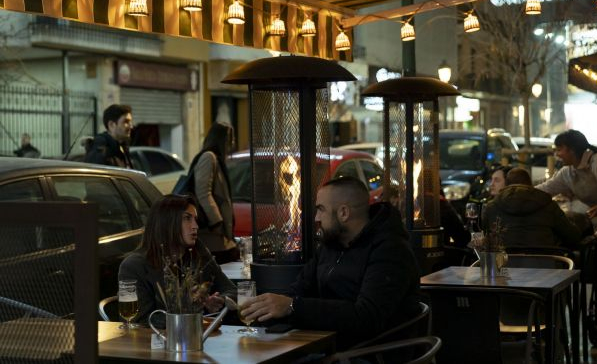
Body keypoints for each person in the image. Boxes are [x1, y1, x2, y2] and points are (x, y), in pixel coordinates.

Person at [240, 176, 421, 350]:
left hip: (368, 353)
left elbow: (367, 317)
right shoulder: (331, 245)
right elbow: (298, 291)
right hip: (326, 345)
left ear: (343, 213)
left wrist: (292, 307)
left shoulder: (390, 250)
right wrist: (257, 310)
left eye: (321, 209)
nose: (316, 218)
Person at [118, 194, 236, 327]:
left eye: (195, 219)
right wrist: (188, 309)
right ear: (167, 223)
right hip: (155, 342)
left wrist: (220, 300)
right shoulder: (135, 265)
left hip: (196, 338)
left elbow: (232, 290)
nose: (195, 226)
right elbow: (141, 321)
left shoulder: (198, 250)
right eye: (187, 218)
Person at [482, 168, 581, 250]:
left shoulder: (491, 207)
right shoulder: (548, 205)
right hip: (544, 267)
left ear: (507, 184)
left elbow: (483, 238)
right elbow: (572, 237)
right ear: (530, 185)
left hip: (502, 266)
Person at [192, 122, 237, 263]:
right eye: (230, 138)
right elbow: (203, 192)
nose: (232, 143)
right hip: (212, 234)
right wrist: (217, 222)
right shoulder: (209, 157)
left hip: (218, 235)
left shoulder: (216, 159)